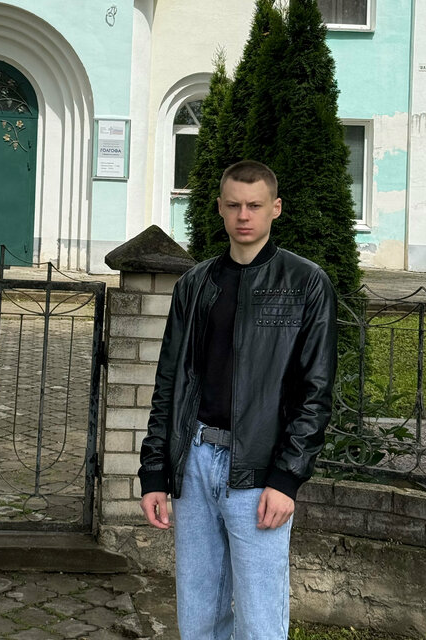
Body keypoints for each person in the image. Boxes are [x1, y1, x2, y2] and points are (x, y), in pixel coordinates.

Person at [138, 160, 337, 640]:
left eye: (254, 205)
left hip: (259, 471)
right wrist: (155, 472)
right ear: (221, 209)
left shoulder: (306, 284)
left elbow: (316, 391)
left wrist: (287, 477)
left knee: (260, 617)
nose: (243, 215)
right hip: (196, 461)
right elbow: (170, 382)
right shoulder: (195, 285)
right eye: (233, 205)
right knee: (199, 611)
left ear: (275, 209)